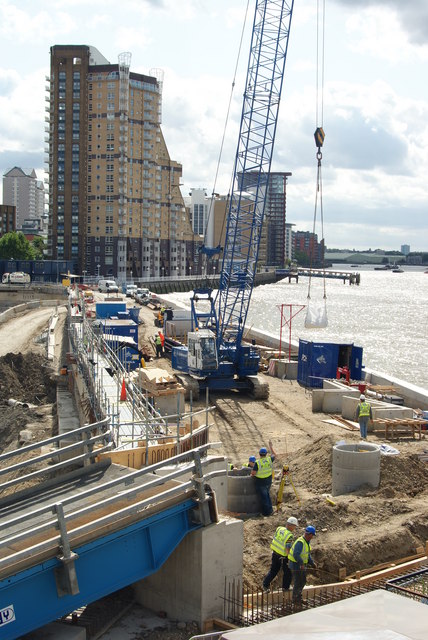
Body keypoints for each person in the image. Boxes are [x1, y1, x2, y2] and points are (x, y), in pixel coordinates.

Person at [262, 516, 299, 592]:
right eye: (294, 526)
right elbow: (288, 547)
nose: (295, 528)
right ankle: (286, 588)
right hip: (283, 556)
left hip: (275, 553)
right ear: (291, 525)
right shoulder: (289, 535)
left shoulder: (279, 529)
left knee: (273, 570)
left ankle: (265, 585)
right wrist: (290, 557)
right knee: (287, 571)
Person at [288, 525, 317, 608]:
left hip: (300, 564)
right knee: (298, 581)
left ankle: (298, 598)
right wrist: (301, 564)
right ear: (308, 534)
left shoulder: (306, 543)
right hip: (295, 564)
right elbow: (296, 554)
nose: (312, 537)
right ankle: (295, 600)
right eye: (312, 535)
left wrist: (312, 563)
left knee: (303, 581)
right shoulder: (300, 542)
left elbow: (307, 555)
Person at [251, 443, 276, 516]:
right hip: (268, 480)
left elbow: (253, 473)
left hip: (261, 482)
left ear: (259, 454)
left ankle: (267, 513)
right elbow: (275, 455)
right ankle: (270, 510)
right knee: (267, 495)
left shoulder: (258, 462)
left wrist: (251, 473)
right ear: (266, 454)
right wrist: (271, 447)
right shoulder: (269, 459)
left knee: (264, 498)